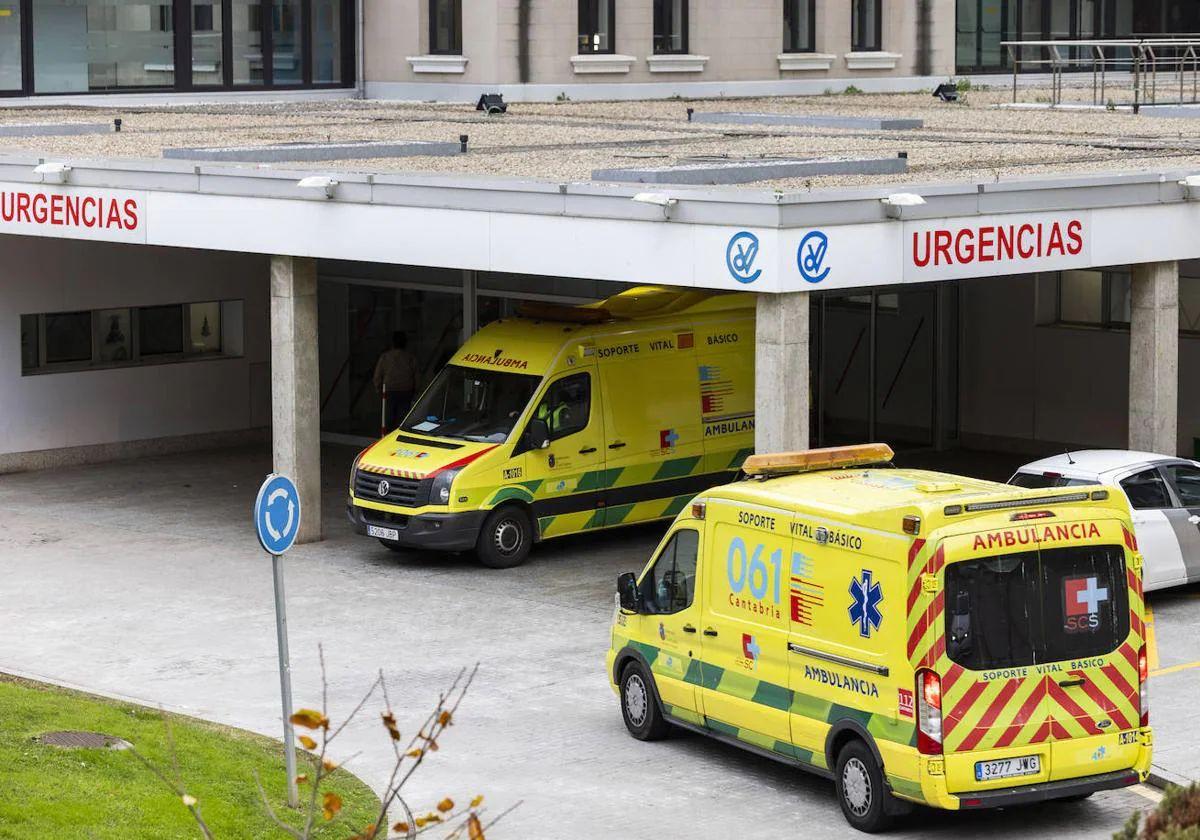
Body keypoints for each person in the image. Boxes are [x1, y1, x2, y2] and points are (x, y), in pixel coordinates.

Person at [373, 331, 420, 432]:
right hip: (406, 391)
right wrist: (416, 390)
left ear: (393, 342)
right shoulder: (410, 357)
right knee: (404, 418)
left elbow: (377, 375)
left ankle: (389, 436)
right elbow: (416, 375)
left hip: (389, 390)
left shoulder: (385, 357)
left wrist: (378, 389)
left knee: (389, 417)